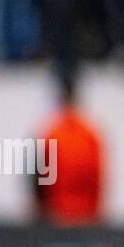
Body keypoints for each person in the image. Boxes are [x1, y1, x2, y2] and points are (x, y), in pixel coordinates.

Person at [35, 75, 103, 226]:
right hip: (87, 217)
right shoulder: (91, 135)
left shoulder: (52, 134)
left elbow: (42, 180)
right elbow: (98, 179)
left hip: (58, 215)